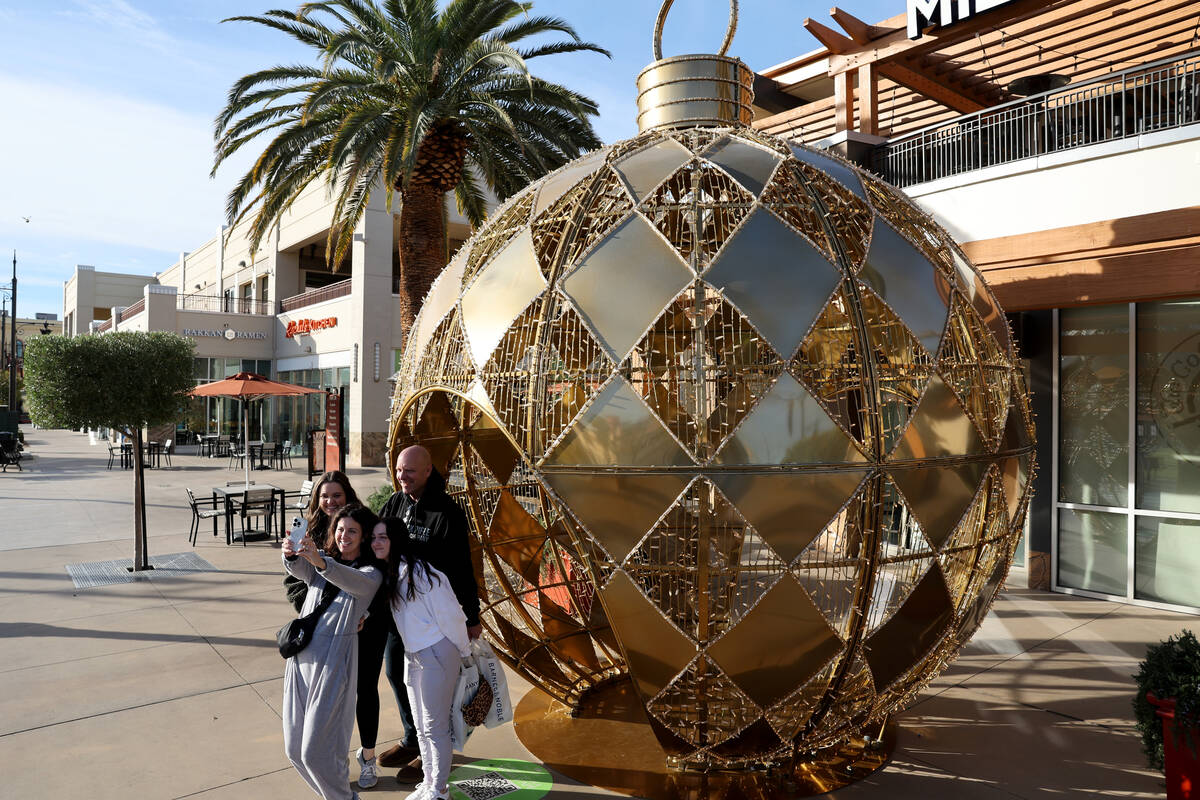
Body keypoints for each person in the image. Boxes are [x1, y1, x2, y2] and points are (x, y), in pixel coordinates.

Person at [281, 470, 415, 790]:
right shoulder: (315, 536)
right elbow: (303, 576)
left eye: (336, 496)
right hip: (313, 644)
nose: (330, 501)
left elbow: (358, 582)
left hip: (355, 641)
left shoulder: (367, 562)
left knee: (360, 696)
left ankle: (364, 760)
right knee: (299, 747)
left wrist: (361, 610)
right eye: (324, 496)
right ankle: (337, 777)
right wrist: (292, 556)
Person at [377, 445, 481, 780]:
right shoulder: (395, 503)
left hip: (434, 618)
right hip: (399, 609)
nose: (402, 477)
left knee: (437, 690)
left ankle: (434, 750)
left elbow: (464, 567)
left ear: (427, 470)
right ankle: (413, 738)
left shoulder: (446, 512)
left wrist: (472, 616)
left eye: (409, 471)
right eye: (398, 470)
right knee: (396, 673)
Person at [282, 503, 382, 800]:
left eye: (352, 530)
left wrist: (321, 563)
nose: (344, 536)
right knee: (294, 751)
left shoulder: (370, 574)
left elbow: (345, 579)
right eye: (340, 529)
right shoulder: (324, 562)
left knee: (317, 753)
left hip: (334, 665)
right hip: (301, 662)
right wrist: (291, 554)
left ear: (364, 537)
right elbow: (304, 570)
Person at [377, 515, 471, 800]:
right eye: (373, 538)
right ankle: (430, 783)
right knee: (421, 726)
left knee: (435, 726)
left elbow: (453, 616)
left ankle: (440, 790)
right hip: (415, 654)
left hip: (437, 652)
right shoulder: (393, 573)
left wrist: (465, 653)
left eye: (382, 537)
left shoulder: (423, 574)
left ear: (396, 539)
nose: (376, 542)